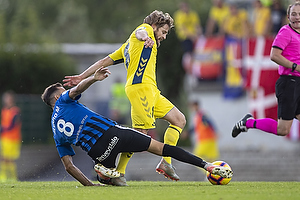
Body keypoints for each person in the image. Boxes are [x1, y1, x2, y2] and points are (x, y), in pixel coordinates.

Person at [41, 67, 233, 186]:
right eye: (63, 92)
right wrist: (93, 78)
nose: (66, 92)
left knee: (112, 179)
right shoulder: (64, 100)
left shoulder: (55, 130)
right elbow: (77, 89)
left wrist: (90, 186)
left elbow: (68, 167)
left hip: (98, 153)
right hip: (113, 134)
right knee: (161, 148)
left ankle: (104, 175)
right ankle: (207, 166)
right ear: (57, 97)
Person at [63, 10, 186, 185]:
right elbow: (140, 31)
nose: (164, 37)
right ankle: (118, 172)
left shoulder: (127, 46)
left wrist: (81, 76)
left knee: (179, 120)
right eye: (163, 32)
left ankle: (166, 162)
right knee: (140, 135)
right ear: (154, 26)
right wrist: (146, 37)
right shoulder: (145, 31)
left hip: (152, 90)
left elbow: (102, 61)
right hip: (141, 89)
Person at [232, 1, 300, 139]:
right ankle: (249, 122)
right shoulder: (286, 32)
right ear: (288, 16)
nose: (297, 17)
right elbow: (274, 55)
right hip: (289, 83)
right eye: (294, 14)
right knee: (282, 129)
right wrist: (295, 66)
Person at [0, 91, 22, 182]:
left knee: (9, 159)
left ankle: (12, 178)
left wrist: (3, 129)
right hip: (4, 138)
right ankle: (4, 177)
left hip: (13, 138)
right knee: (3, 158)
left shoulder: (15, 111)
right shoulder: (4, 110)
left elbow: (12, 125)